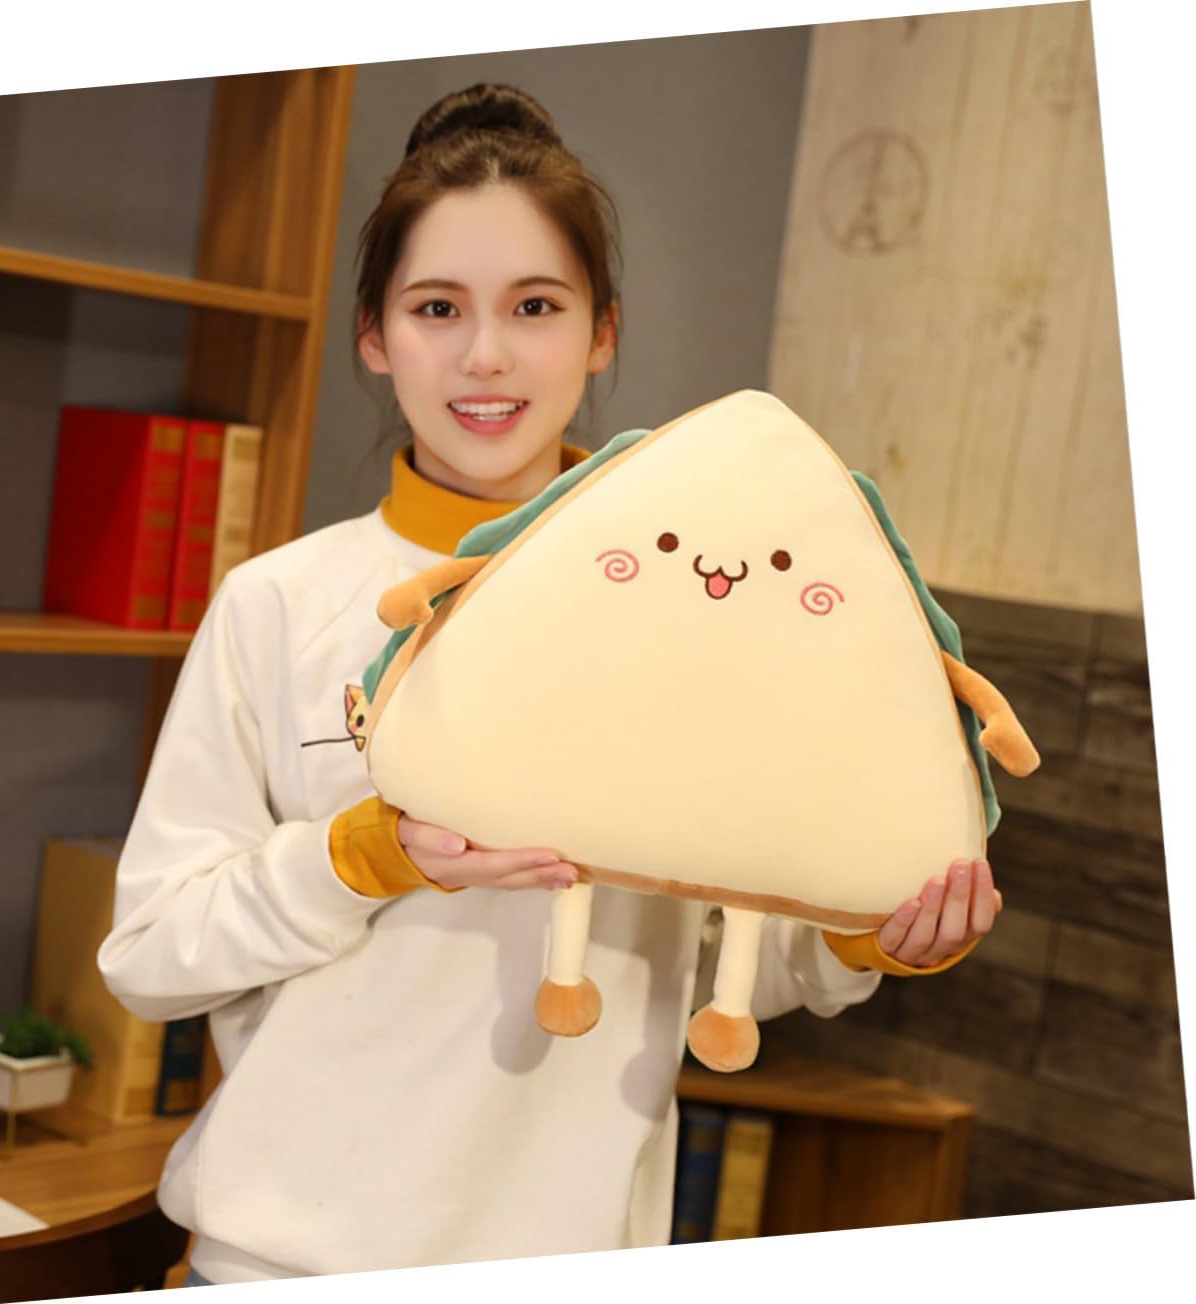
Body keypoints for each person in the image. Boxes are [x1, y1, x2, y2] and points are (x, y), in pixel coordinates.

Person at [98, 83, 1001, 1288]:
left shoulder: (706, 604)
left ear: (600, 331)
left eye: (534, 305)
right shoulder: (277, 602)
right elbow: (151, 953)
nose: (484, 354)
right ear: (374, 334)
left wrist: (868, 926)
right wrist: (364, 855)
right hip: (280, 1262)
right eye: (436, 307)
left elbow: (747, 958)